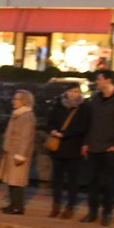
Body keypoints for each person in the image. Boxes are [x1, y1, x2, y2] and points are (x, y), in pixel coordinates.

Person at [80, 70, 114, 226]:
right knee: (92, 183)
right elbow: (89, 123)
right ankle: (92, 212)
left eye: (98, 79)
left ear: (108, 80)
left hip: (111, 149)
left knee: (109, 184)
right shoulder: (95, 99)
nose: (96, 82)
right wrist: (86, 142)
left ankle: (107, 213)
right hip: (94, 147)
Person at [45, 84, 90, 218]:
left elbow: (83, 127)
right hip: (58, 148)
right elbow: (50, 122)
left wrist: (65, 134)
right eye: (71, 91)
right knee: (57, 178)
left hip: (73, 147)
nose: (73, 94)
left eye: (76, 91)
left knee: (72, 179)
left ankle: (70, 206)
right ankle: (56, 205)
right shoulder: (58, 105)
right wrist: (53, 130)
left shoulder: (83, 108)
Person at [0, 89, 36, 215]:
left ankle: (18, 206)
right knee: (12, 179)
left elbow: (26, 137)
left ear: (23, 101)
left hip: (18, 153)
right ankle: (13, 204)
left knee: (17, 180)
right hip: (12, 151)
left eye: (16, 99)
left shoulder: (27, 116)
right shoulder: (18, 114)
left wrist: (21, 154)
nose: (13, 101)